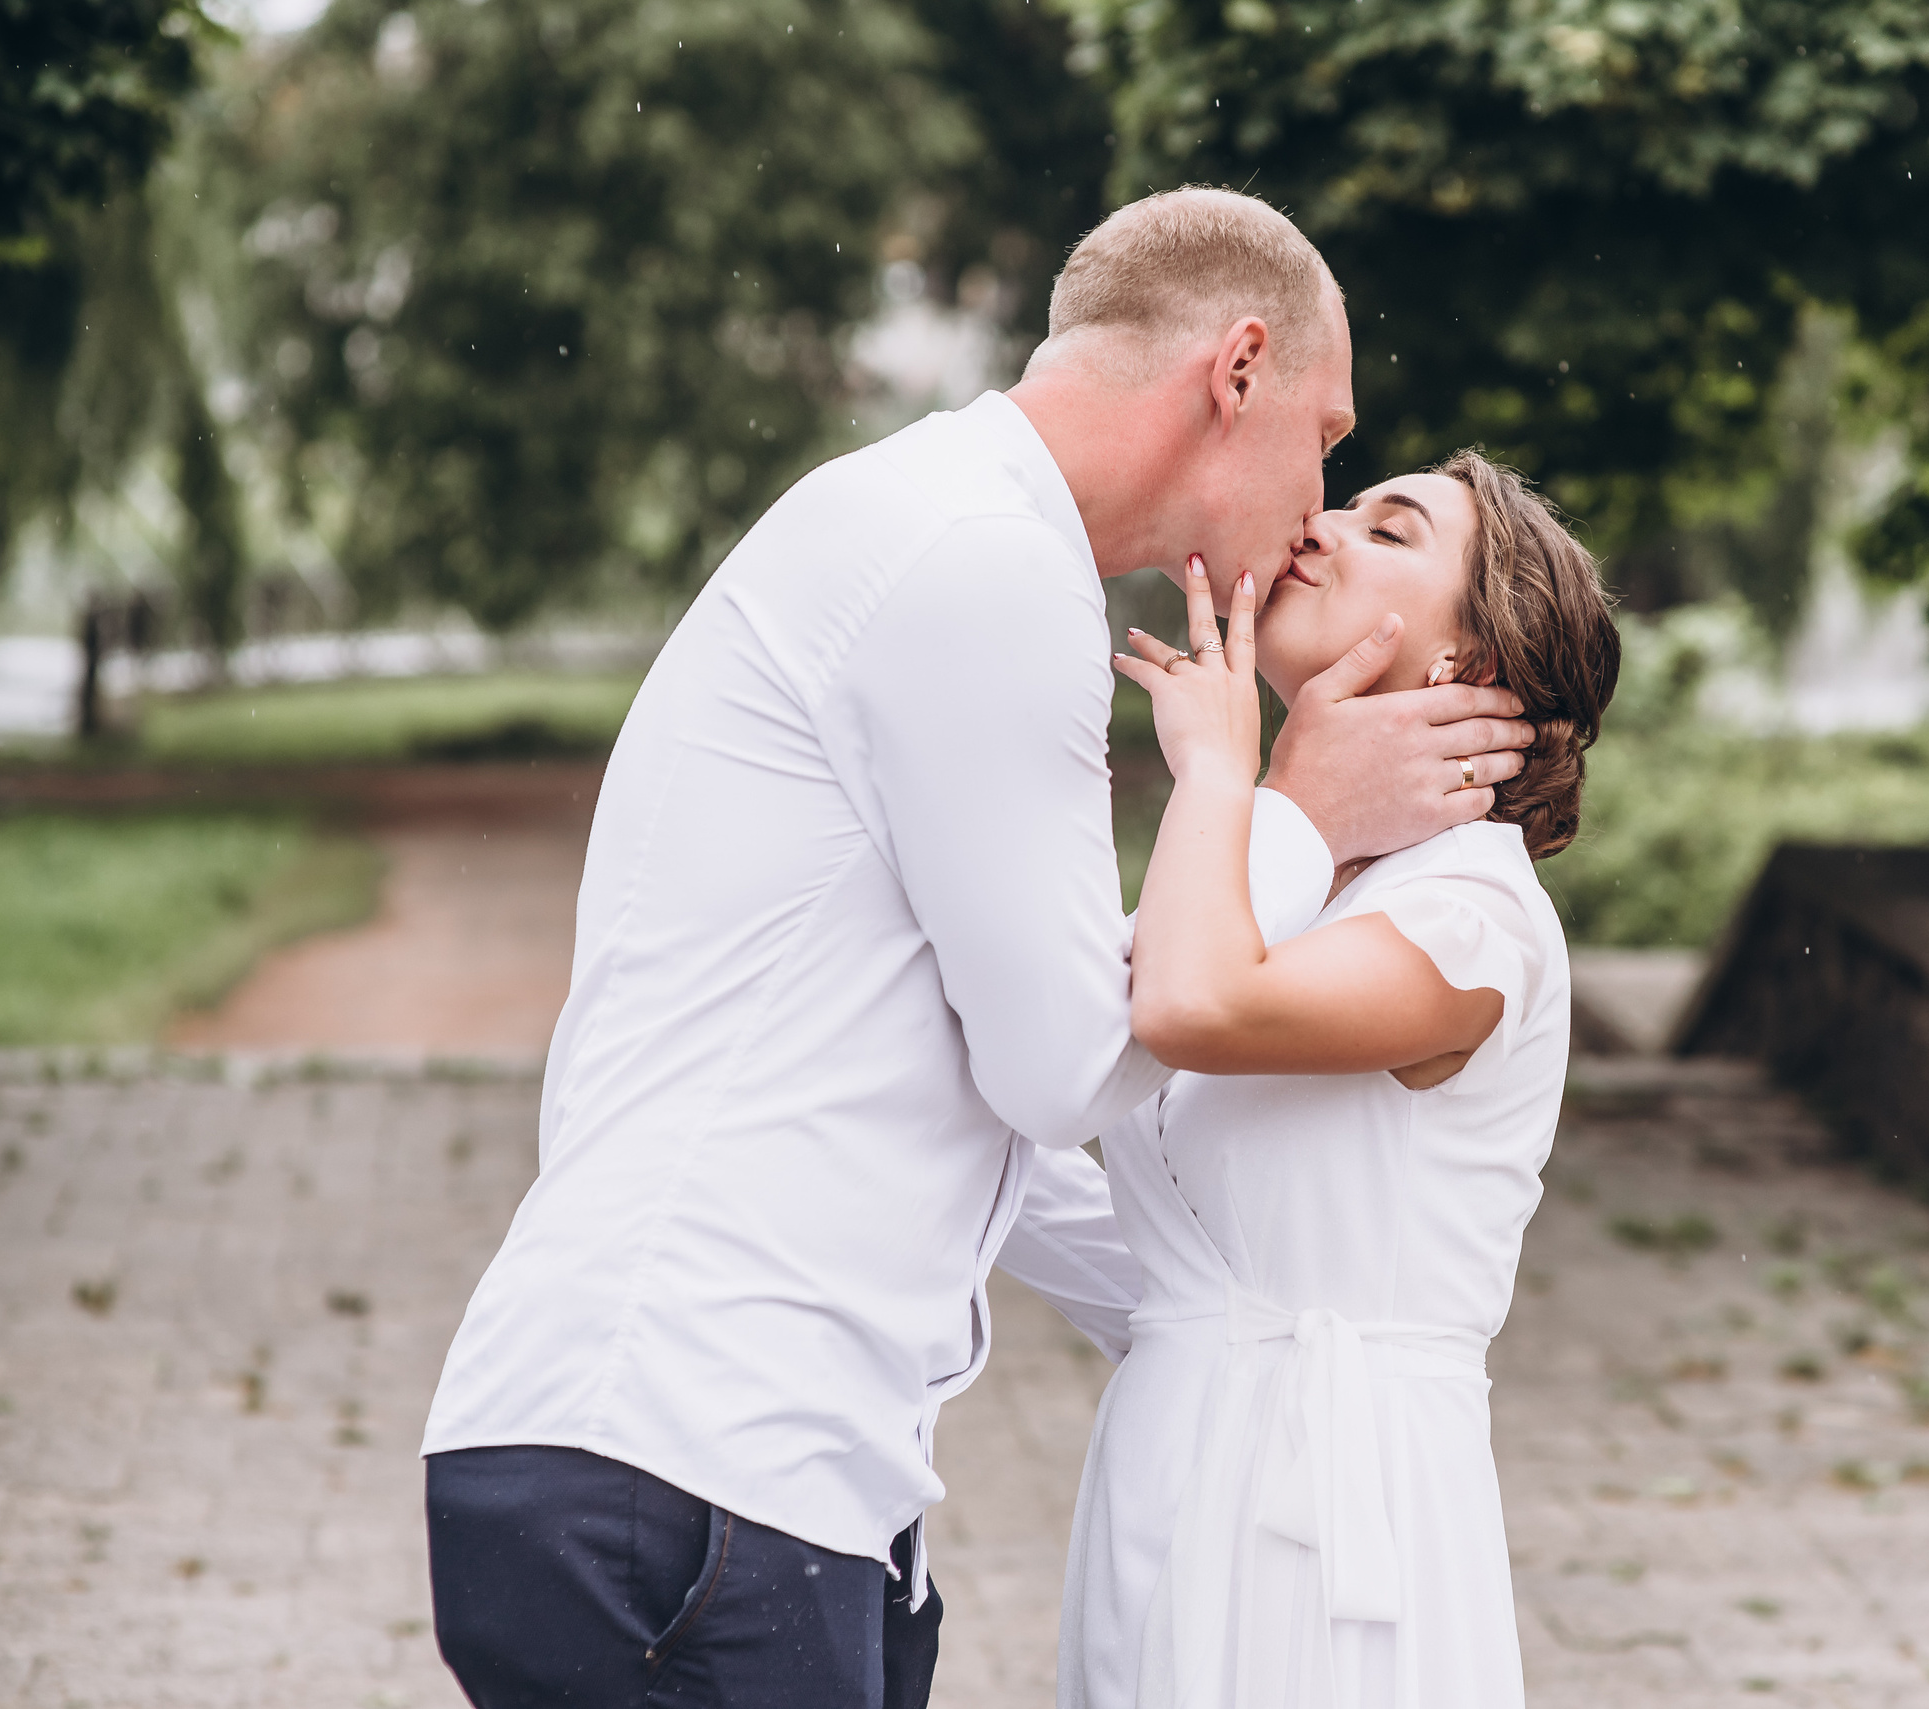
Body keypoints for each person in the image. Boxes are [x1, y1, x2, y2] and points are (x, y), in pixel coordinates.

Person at [418, 188, 1539, 1709]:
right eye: (1327, 438)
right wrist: (1288, 809)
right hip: (686, 1465)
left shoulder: (938, 526)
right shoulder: (980, 562)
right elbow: (1070, 1061)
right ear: (1237, 370)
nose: (1318, 502)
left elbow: (1015, 1082)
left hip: (739, 1475)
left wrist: (1250, 1347)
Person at [1065, 451, 1621, 1708]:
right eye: (1345, 503)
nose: (1319, 523)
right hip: (1167, 1478)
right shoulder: (1292, 879)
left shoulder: (1472, 911)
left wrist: (1229, 778)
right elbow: (1081, 1060)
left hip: (1323, 1513)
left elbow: (1190, 1005)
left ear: (1466, 662)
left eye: (1390, 529)